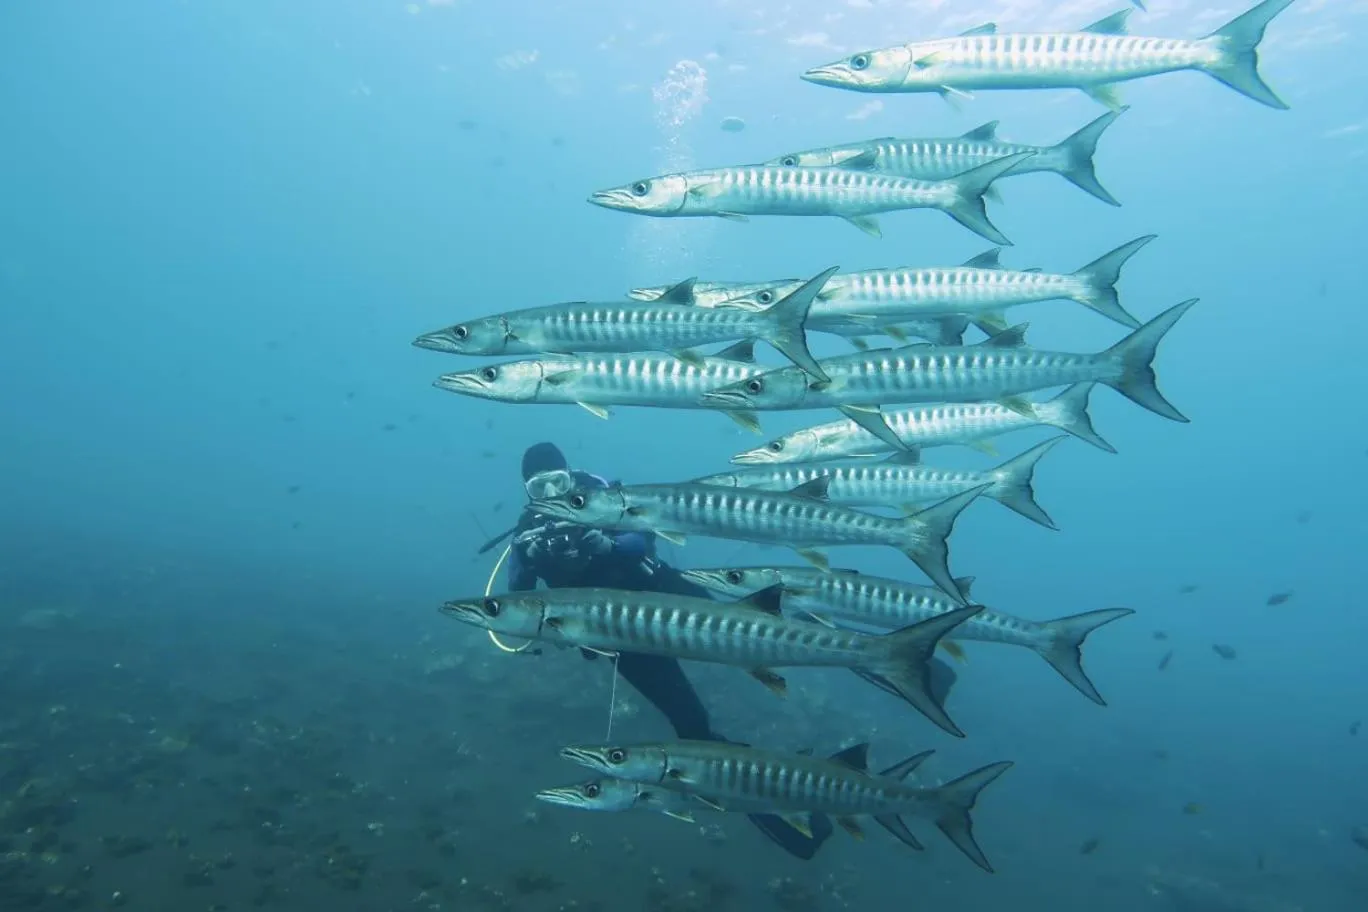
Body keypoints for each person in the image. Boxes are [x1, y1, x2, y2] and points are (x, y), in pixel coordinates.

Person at [505, 441, 958, 860]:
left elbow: (645, 536)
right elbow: (518, 598)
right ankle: (791, 823)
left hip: (670, 602)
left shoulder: (601, 501)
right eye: (538, 487)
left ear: (571, 477)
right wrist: (527, 556)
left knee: (770, 627)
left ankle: (900, 659)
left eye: (557, 483)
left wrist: (606, 542)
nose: (551, 492)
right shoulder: (528, 532)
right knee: (690, 729)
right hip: (621, 641)